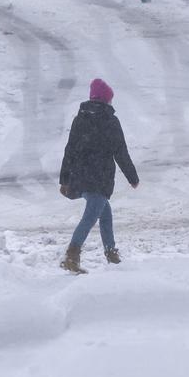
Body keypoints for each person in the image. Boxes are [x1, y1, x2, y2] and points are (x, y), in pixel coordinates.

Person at [58, 78, 139, 274]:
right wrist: (132, 177)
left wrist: (65, 179)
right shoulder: (110, 120)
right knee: (90, 217)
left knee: (105, 214)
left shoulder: (80, 118)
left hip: (80, 175)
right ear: (106, 99)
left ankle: (112, 255)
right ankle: (71, 256)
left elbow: (70, 150)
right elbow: (120, 151)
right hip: (100, 176)